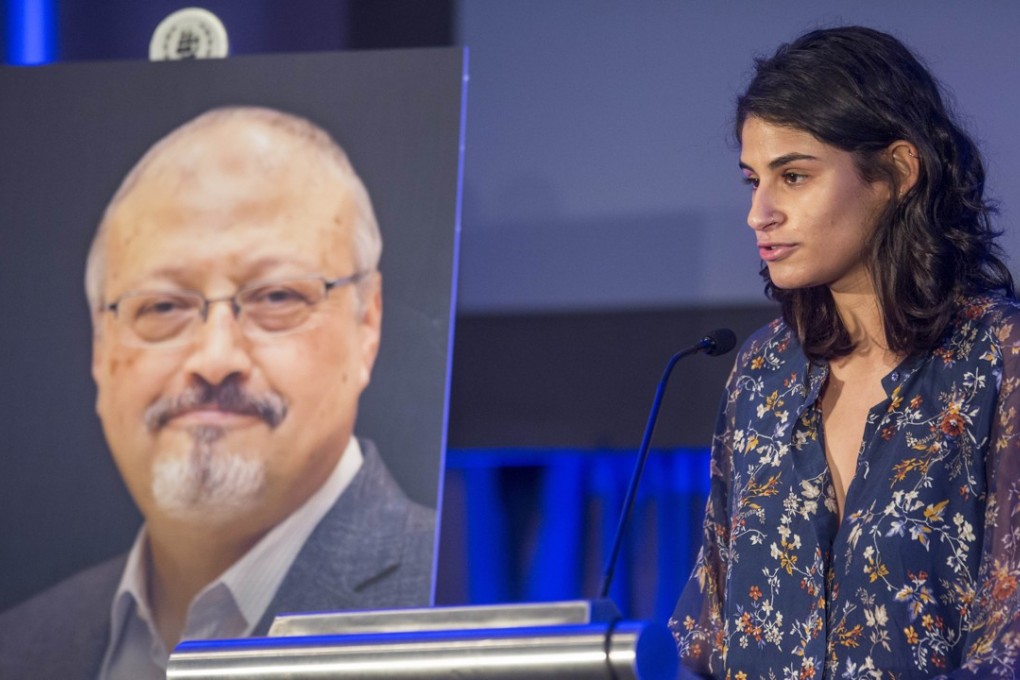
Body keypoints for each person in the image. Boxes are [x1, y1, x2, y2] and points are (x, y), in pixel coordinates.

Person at [0, 107, 436, 679]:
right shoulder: (20, 646)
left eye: (277, 297)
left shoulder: (466, 609)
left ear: (367, 324)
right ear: (101, 349)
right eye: (162, 306)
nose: (214, 358)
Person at [670, 26, 1020, 679]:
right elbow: (708, 623)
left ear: (896, 172)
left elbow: (1010, 640)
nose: (759, 213)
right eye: (753, 180)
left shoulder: (999, 359)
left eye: (793, 176)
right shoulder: (763, 371)